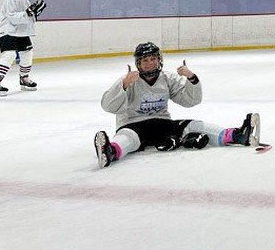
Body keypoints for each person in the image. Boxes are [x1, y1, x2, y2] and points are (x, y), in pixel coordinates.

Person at [93, 41, 260, 168]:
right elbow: (108, 106)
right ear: (138, 64)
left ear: (160, 60)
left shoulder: (167, 78)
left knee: (194, 125)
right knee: (128, 138)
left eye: (153, 59)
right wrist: (123, 84)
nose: (150, 63)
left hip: (162, 124)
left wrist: (191, 79)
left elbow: (190, 100)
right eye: (145, 60)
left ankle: (238, 135)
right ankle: (110, 151)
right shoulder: (130, 80)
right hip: (133, 125)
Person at [0, 0, 46, 97]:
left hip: (21, 32)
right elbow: (13, 17)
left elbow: (28, 19)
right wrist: (29, 12)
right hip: (7, 31)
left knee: (27, 53)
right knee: (9, 54)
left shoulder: (24, 0)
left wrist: (35, 13)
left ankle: (24, 78)